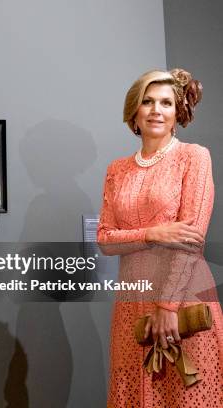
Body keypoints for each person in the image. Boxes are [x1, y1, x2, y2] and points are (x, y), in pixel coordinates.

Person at [97, 68, 223, 406]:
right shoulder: (116, 170)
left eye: (166, 103)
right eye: (148, 101)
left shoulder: (193, 157)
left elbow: (190, 239)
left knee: (186, 396)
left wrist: (167, 305)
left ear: (177, 113)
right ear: (134, 112)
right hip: (130, 304)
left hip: (183, 298)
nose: (156, 110)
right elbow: (106, 239)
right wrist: (154, 232)